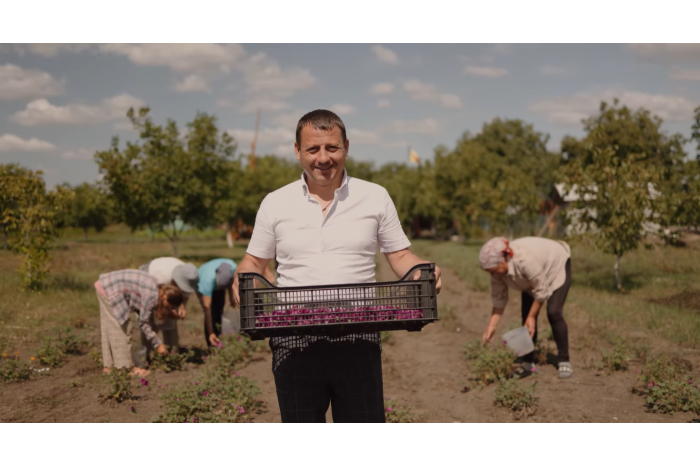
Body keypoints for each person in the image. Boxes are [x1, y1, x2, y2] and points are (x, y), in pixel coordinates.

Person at [232, 109, 442, 423]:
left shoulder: (375, 196)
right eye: (313, 149)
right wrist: (242, 277)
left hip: (357, 336)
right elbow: (254, 261)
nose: (323, 158)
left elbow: (400, 256)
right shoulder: (275, 202)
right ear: (297, 151)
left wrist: (422, 270)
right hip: (293, 339)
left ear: (346, 145)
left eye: (332, 147)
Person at [479, 236, 572, 379]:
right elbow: (499, 300)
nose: (492, 273)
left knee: (554, 312)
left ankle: (564, 359)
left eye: (493, 269)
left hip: (555, 265)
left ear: (503, 259)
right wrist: (491, 326)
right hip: (531, 279)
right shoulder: (496, 272)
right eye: (489, 271)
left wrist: (532, 316)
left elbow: (541, 291)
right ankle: (527, 363)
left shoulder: (524, 260)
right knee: (526, 317)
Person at [95, 269, 185, 377]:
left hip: (105, 285)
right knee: (122, 329)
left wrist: (153, 328)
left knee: (109, 327)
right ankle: (126, 368)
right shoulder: (152, 296)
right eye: (170, 306)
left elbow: (142, 309)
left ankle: (109, 367)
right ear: (165, 298)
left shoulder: (158, 289)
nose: (170, 309)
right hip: (110, 288)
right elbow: (143, 322)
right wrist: (158, 344)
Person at [136, 257, 199, 366]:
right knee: (149, 323)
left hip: (164, 290)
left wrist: (181, 308)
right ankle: (144, 358)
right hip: (150, 282)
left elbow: (185, 295)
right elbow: (157, 302)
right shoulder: (161, 276)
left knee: (170, 324)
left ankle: (172, 354)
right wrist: (167, 312)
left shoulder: (189, 275)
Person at [196, 258, 237, 348]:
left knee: (219, 310)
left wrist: (231, 298)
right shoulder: (206, 281)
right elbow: (207, 309)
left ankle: (218, 336)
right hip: (203, 281)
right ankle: (211, 343)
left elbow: (231, 281)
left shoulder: (233, 267)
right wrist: (211, 333)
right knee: (212, 313)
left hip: (220, 282)